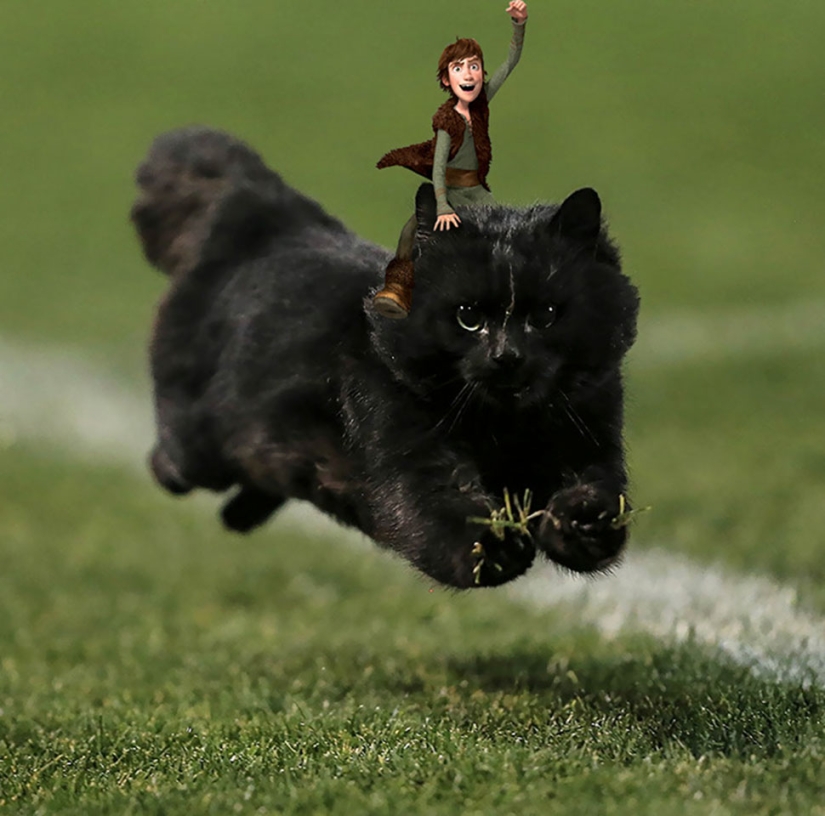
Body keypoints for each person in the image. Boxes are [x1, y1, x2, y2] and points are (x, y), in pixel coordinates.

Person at [372, 1, 529, 319]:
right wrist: (443, 205)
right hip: (449, 192)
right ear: (446, 80)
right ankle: (398, 289)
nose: (468, 74)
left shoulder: (480, 106)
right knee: (409, 233)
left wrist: (519, 25)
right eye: (458, 69)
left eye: (474, 66)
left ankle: (506, 295)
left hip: (476, 191)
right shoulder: (447, 123)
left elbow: (511, 61)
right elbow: (439, 167)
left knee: (501, 233)